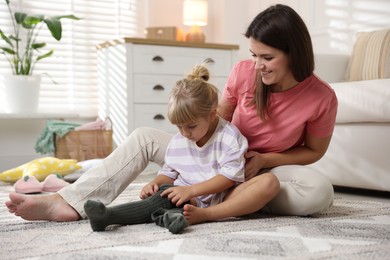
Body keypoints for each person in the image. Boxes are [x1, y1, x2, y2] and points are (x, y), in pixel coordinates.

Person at [6, 4, 337, 223]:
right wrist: (189, 159)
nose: (257, 65)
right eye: (253, 55)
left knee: (320, 192)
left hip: (258, 168)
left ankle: (223, 205)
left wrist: (264, 161)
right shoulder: (244, 72)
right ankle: (68, 203)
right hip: (216, 156)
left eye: (267, 57)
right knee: (143, 137)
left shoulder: (321, 97)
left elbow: (313, 151)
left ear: (294, 52)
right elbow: (213, 122)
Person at [83, 64, 264, 234]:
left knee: (268, 184)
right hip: (185, 197)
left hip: (219, 199)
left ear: (211, 115)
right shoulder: (180, 140)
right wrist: (155, 183)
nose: (184, 133)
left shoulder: (229, 137)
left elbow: (228, 178)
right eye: (179, 127)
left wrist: (191, 190)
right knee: (163, 195)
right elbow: (169, 172)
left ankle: (181, 216)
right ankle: (108, 216)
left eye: (191, 126)